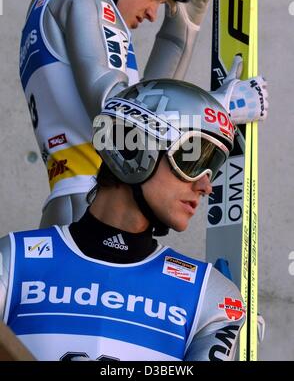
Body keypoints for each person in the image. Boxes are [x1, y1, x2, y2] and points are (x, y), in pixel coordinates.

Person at [19, 0, 267, 228]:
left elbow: (145, 106)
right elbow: (121, 118)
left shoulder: (54, 3)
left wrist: (179, 34)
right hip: (95, 207)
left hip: (78, 199)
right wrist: (220, 108)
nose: (152, 13)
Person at [0, 79, 246, 361]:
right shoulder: (12, 262)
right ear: (134, 148)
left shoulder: (212, 296)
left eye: (212, 168)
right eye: (191, 160)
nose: (205, 186)